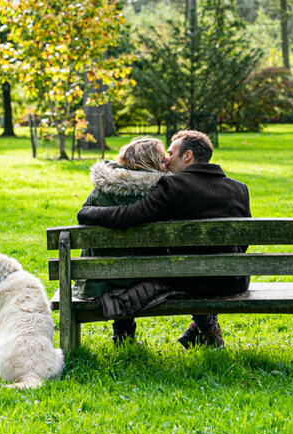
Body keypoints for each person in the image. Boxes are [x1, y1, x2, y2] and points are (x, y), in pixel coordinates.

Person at [76, 129, 250, 349]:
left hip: (188, 280)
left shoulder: (173, 187)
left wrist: (86, 213)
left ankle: (132, 334)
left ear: (187, 156)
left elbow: (126, 216)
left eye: (170, 153)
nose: (166, 160)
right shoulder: (240, 189)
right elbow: (242, 243)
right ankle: (205, 328)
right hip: (233, 281)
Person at [75, 137, 167, 344]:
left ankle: (123, 335)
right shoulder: (163, 192)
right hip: (153, 275)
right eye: (162, 160)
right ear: (150, 163)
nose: (166, 163)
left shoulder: (102, 190)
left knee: (115, 260)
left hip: (102, 276)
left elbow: (83, 219)